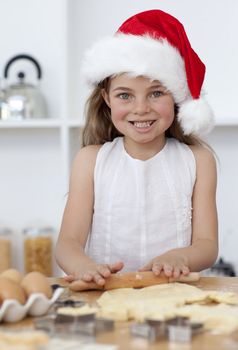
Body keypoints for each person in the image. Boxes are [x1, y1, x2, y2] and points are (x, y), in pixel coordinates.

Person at [55, 9, 218, 286]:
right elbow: (67, 243)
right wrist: (84, 266)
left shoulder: (198, 160)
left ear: (177, 95)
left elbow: (207, 244)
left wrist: (181, 257)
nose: (141, 109)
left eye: (156, 93)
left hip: (173, 297)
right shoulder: (90, 160)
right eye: (125, 95)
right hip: (106, 296)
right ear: (107, 98)